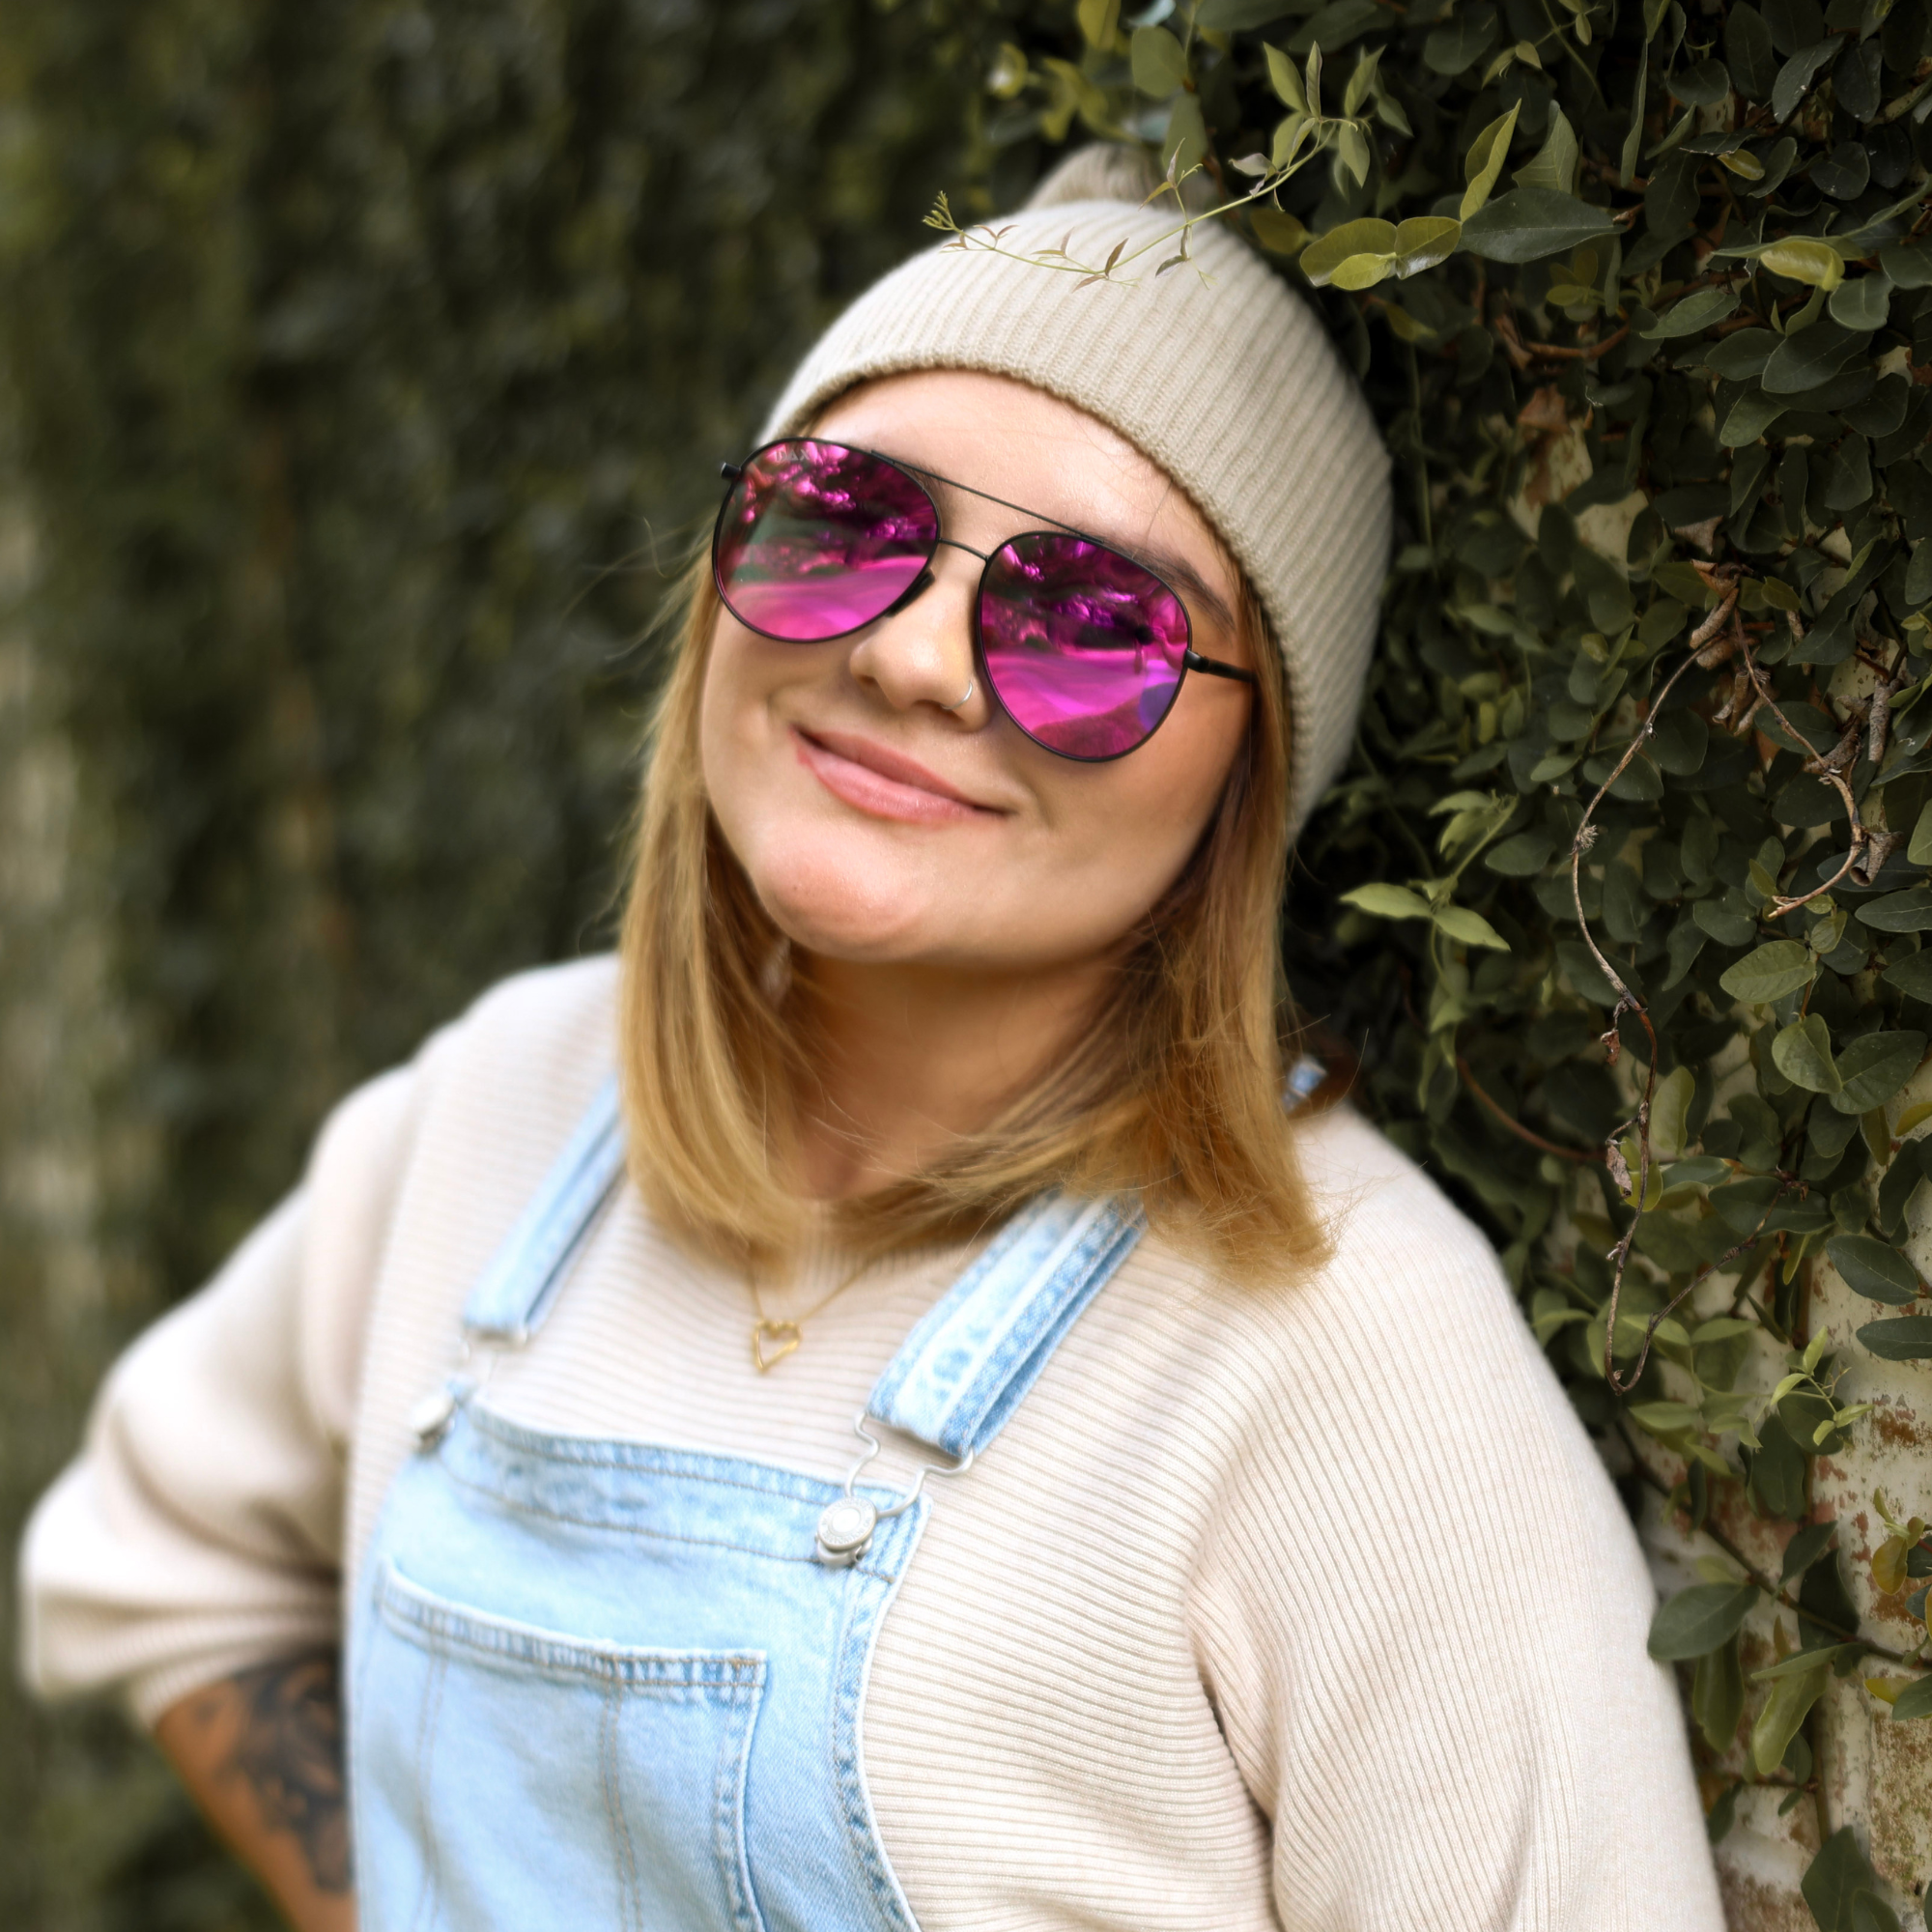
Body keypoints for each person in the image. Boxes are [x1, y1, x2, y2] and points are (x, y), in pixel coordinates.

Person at [18, 146, 1726, 1932]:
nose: (914, 660)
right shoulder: (497, 1112)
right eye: (846, 522)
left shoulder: (1347, 1357)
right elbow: (162, 1555)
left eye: (1094, 626)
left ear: (1251, 774)